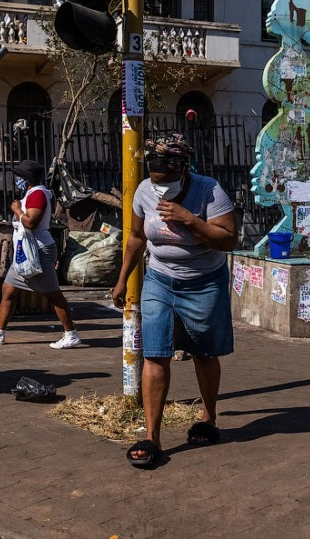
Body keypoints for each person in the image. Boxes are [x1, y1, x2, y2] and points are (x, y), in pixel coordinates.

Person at [112, 133, 238, 468]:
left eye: (167, 180)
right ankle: (152, 437)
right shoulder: (142, 191)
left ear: (183, 169)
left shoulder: (209, 190)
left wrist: (190, 220)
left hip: (205, 282)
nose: (160, 186)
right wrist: (122, 279)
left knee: (204, 352)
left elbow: (228, 240)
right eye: (155, 179)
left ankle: (209, 418)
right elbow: (137, 237)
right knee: (154, 354)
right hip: (160, 280)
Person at [0, 160, 81, 348]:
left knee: (53, 294)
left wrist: (16, 210)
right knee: (8, 289)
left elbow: (31, 222)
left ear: (27, 178)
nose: (16, 179)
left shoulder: (38, 194)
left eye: (18, 176)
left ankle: (71, 334)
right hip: (27, 252)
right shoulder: (32, 194)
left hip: (38, 251)